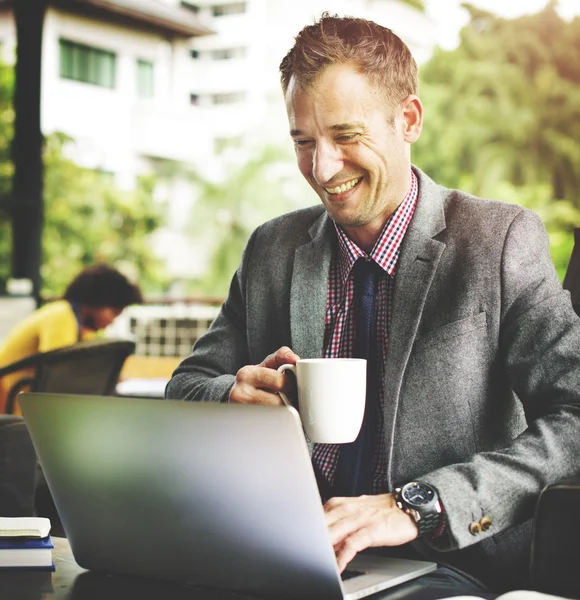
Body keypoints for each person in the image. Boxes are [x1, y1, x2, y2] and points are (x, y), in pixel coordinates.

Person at [166, 14, 580, 594]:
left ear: (407, 120)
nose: (322, 168)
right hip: (287, 555)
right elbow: (187, 384)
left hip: (451, 565)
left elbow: (575, 418)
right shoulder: (272, 248)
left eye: (345, 136)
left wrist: (418, 505)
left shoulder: (499, 241)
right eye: (303, 141)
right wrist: (227, 392)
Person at [0, 263, 143, 414]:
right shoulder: (60, 316)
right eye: (114, 312)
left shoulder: (78, 326)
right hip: (10, 410)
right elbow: (61, 375)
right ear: (96, 300)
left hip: (23, 407)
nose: (112, 321)